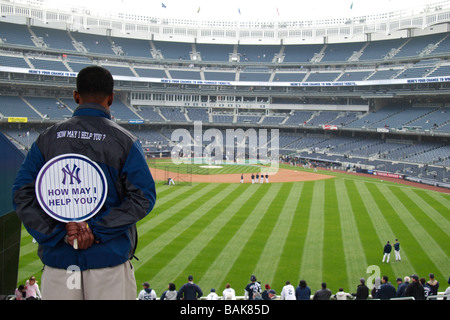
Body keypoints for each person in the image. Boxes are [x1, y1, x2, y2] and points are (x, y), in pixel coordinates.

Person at [12, 66, 157, 300]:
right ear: (111, 98)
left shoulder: (47, 139)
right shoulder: (125, 141)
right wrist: (94, 230)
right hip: (108, 263)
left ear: (76, 96)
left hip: (60, 263)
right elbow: (143, 197)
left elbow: (21, 194)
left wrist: (60, 234)